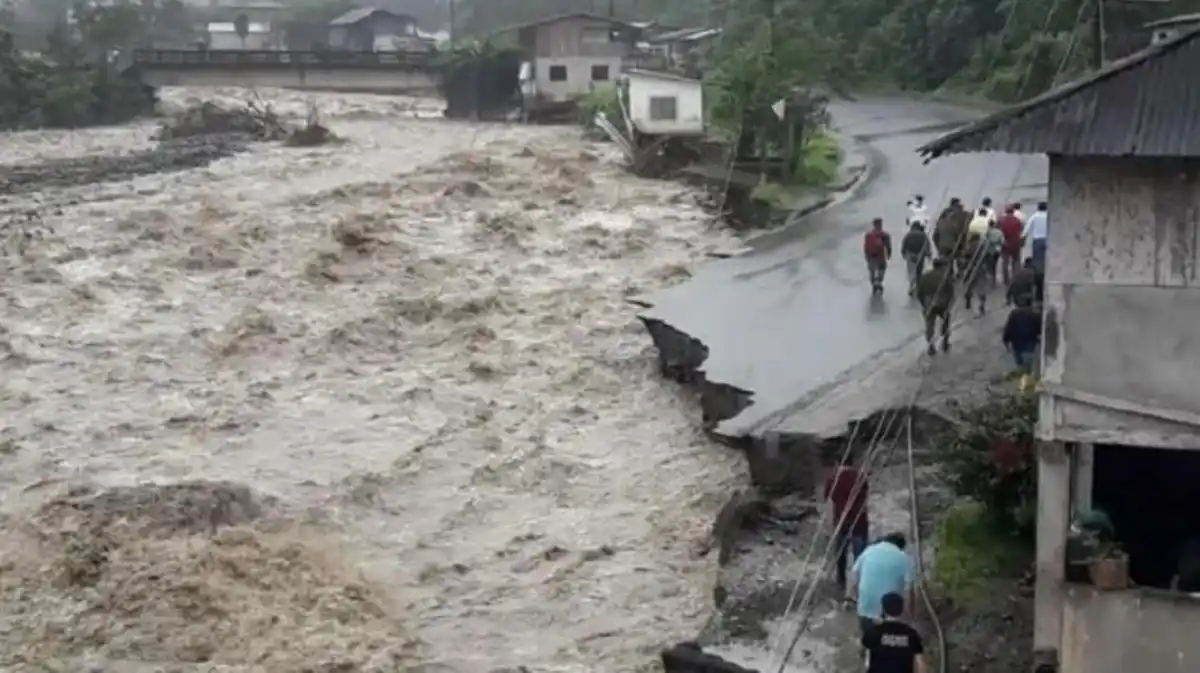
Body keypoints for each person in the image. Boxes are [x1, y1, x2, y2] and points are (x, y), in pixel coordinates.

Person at [853, 533, 916, 643]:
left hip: (866, 606)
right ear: (901, 546)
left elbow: (854, 576)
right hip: (891, 611)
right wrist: (909, 616)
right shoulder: (904, 558)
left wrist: (856, 599)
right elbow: (910, 590)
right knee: (891, 642)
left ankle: (866, 651)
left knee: (867, 638)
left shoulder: (868, 551)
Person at [824, 465, 869, 597]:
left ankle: (841, 583)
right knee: (860, 557)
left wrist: (830, 523)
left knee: (840, 554)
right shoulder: (860, 477)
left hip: (841, 522)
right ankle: (860, 587)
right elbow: (865, 499)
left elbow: (829, 501)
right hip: (859, 522)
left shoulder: (832, 478)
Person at [862, 592, 928, 673]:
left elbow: (867, 663)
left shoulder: (872, 632)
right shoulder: (911, 634)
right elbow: (921, 665)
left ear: (884, 610)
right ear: (901, 610)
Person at [916, 258, 954, 355]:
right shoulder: (945, 276)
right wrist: (949, 302)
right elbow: (950, 291)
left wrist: (923, 305)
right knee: (946, 320)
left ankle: (931, 345)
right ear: (941, 266)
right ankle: (945, 340)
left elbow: (919, 293)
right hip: (942, 303)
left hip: (929, 303)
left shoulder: (925, 276)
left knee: (929, 324)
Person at [1003, 300, 1042, 373]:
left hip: (1016, 343)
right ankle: (1026, 376)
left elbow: (1008, 328)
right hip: (1029, 343)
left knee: (1019, 364)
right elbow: (1040, 329)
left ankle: (1021, 374)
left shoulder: (1014, 314)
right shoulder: (1035, 314)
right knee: (1028, 365)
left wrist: (1005, 340)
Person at [932, 198, 968, 272]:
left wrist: (938, 247)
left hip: (943, 245)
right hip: (956, 243)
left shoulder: (944, 214)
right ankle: (960, 275)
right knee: (960, 261)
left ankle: (948, 276)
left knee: (946, 264)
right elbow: (963, 231)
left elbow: (935, 235)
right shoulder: (962, 214)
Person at [960, 232, 989, 315]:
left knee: (968, 285)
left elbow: (965, 256)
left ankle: (968, 301)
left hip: (970, 268)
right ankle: (982, 304)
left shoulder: (969, 246)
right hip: (980, 268)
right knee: (981, 287)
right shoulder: (982, 246)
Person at [900, 221, 931, 296]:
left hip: (910, 256)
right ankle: (918, 287)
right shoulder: (923, 235)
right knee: (918, 272)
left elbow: (904, 245)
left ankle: (912, 286)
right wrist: (928, 254)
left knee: (911, 272)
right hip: (920, 256)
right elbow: (927, 245)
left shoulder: (908, 235)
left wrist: (903, 253)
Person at [864, 218, 893, 294]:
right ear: (880, 225)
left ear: (874, 225)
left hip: (871, 256)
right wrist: (889, 254)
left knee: (872, 271)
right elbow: (888, 246)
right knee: (882, 268)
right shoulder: (885, 235)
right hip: (880, 256)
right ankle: (879, 282)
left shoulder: (868, 235)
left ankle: (874, 283)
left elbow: (866, 247)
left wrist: (867, 256)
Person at [998, 206, 1024, 285]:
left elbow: (998, 231)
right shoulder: (1017, 221)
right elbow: (1021, 231)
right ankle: (1016, 278)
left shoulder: (1001, 220)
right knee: (1016, 261)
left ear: (1006, 212)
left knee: (1005, 262)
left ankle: (1006, 280)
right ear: (1013, 212)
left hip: (1005, 243)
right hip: (1015, 243)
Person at [1024, 201, 1048, 273]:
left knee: (1037, 259)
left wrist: (1023, 236)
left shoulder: (1034, 216)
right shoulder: (1049, 216)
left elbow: (1027, 227)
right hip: (1047, 240)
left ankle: (1039, 273)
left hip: (1037, 240)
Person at [984, 218, 1004, 285]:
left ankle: (990, 279)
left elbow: (984, 240)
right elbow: (1002, 241)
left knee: (989, 265)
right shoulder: (999, 232)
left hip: (989, 251)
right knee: (994, 265)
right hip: (997, 251)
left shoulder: (988, 231)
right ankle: (994, 280)